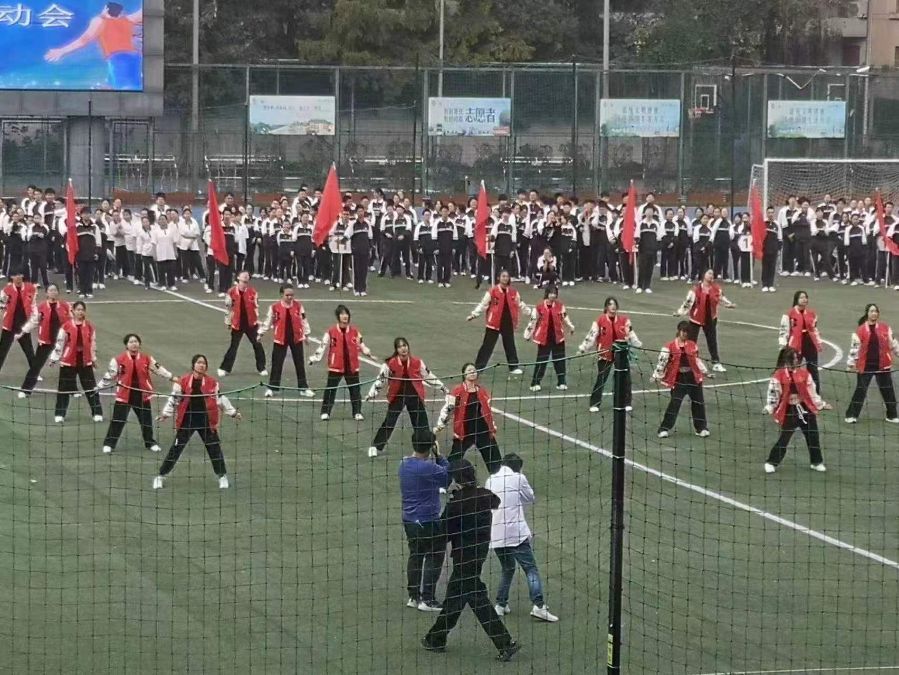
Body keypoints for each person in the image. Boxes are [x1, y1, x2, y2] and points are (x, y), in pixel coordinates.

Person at [421, 459, 520, 662]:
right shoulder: (485, 496)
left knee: (476, 599)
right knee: (455, 598)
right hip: (479, 553)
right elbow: (494, 501)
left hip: (463, 557)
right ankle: (436, 638)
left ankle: (505, 642)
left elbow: (444, 532)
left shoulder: (457, 504)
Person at [485, 453, 559, 623]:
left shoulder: (490, 480)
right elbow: (530, 497)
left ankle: (500, 604)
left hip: (496, 534)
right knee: (531, 569)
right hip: (515, 534)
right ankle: (539, 606)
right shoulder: (519, 478)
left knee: (508, 568)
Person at [154, 354, 241, 490]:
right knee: (176, 449)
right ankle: (160, 476)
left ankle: (222, 476)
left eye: (204, 363)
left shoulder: (212, 382)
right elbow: (174, 399)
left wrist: (233, 412)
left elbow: (220, 399)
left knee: (214, 448)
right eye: (199, 362)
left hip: (206, 420)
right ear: (193, 365)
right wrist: (165, 414)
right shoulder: (182, 381)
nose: (202, 365)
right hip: (187, 419)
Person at [366, 338, 447, 458]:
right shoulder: (389, 364)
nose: (403, 348)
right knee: (389, 421)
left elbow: (428, 376)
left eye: (404, 345)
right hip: (397, 396)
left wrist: (442, 387)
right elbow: (381, 380)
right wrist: (372, 393)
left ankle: (426, 447)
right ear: (396, 350)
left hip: (414, 395)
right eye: (400, 347)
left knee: (421, 423)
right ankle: (375, 446)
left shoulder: (417, 362)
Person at [97, 333, 176, 454]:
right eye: (131, 342)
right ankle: (109, 444)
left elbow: (159, 369)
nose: (134, 344)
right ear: (126, 345)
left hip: (142, 395)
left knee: (146, 421)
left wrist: (171, 377)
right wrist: (99, 386)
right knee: (118, 421)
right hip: (124, 395)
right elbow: (110, 374)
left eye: (136, 341)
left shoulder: (147, 358)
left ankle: (150, 443)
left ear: (139, 344)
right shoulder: (118, 360)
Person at [399, 429, 450, 612]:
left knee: (416, 555)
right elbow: (448, 477)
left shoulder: (403, 464)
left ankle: (413, 596)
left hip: (409, 519)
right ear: (430, 447)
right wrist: (440, 456)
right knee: (435, 555)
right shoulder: (428, 468)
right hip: (428, 520)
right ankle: (428, 599)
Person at [45, 2, 144, 90]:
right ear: (120, 12)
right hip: (135, 58)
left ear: (106, 9)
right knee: (130, 86)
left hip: (118, 59)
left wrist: (62, 51)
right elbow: (141, 13)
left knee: (124, 88)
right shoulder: (128, 20)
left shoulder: (100, 21)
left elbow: (84, 40)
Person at [763, 347, 831, 474]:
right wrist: (770, 407)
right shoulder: (778, 376)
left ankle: (816, 462)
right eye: (794, 358)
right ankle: (771, 462)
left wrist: (821, 404)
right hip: (790, 411)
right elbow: (773, 393)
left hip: (805, 409)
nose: (796, 360)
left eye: (797, 358)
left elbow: (812, 392)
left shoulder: (805, 374)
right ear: (787, 360)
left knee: (813, 436)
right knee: (785, 437)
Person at [308, 304, 377, 421]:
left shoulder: (354, 332)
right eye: (342, 314)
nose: (345, 316)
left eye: (346, 314)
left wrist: (369, 354)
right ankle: (325, 412)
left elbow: (361, 345)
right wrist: (314, 358)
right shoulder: (331, 332)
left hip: (352, 365)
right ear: (338, 316)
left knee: (355, 390)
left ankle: (357, 412)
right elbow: (322, 346)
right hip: (336, 366)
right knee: (330, 389)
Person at [577, 296, 642, 413]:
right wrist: (583, 348)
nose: (613, 307)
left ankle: (627, 402)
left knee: (625, 379)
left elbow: (631, 334)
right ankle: (595, 403)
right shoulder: (600, 320)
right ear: (606, 306)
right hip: (605, 354)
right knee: (601, 379)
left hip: (621, 354)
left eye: (614, 304)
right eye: (610, 304)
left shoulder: (624, 320)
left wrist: (638, 344)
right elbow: (591, 335)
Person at [434, 363, 501, 474]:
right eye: (469, 370)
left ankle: (498, 479)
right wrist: (440, 425)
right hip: (464, 431)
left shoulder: (482, 391)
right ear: (464, 374)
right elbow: (448, 409)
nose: (472, 372)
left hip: (482, 429)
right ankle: (443, 478)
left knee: (494, 459)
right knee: (454, 458)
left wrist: (492, 427)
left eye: (474, 370)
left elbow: (488, 411)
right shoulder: (457, 391)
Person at [651, 321, 711, 439]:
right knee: (675, 404)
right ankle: (664, 428)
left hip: (693, 378)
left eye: (687, 332)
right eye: (683, 331)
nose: (685, 334)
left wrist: (705, 372)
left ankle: (701, 428)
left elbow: (697, 360)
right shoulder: (669, 346)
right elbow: (662, 362)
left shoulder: (692, 345)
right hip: (678, 379)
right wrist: (656, 375)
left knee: (698, 403)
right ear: (679, 331)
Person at [48, 301, 104, 424]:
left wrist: (93, 359)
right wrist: (54, 358)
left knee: (91, 388)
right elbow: (60, 343)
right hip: (68, 362)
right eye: (78, 309)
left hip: (85, 362)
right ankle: (60, 413)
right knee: (63, 389)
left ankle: (97, 412)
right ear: (73, 311)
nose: (80, 312)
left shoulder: (89, 327)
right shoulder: (66, 326)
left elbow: (92, 344)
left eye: (82, 310)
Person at [844, 303, 899, 424]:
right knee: (861, 391)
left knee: (888, 391)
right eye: (871, 311)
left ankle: (892, 415)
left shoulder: (885, 328)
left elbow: (893, 344)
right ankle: (851, 415)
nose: (874, 313)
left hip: (883, 365)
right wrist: (850, 364)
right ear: (867, 313)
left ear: (878, 313)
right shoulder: (860, 330)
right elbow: (854, 349)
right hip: (866, 366)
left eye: (875, 311)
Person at [468, 269, 530, 375]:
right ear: (498, 278)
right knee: (487, 346)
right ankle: (478, 367)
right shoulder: (493, 291)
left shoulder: (513, 292)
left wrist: (529, 312)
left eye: (507, 276)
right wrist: (474, 314)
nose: (505, 278)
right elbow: (483, 304)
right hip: (494, 323)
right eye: (503, 276)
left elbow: (520, 303)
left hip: (508, 322)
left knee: (510, 345)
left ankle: (513, 366)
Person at [258, 284, 314, 398]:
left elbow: (304, 320)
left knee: (300, 364)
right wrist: (261, 333)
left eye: (292, 295)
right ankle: (272, 388)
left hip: (296, 338)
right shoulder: (274, 307)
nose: (290, 297)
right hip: (280, 339)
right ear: (281, 295)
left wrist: (307, 335)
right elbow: (268, 321)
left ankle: (303, 388)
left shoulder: (298, 306)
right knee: (276, 364)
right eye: (287, 295)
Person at [674, 268, 736, 372]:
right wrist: (680, 312)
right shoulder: (695, 290)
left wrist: (729, 304)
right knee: (691, 341)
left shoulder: (716, 289)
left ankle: (716, 363)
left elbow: (721, 298)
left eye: (712, 274)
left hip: (710, 318)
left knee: (712, 341)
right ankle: (687, 362)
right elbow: (688, 303)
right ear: (704, 275)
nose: (711, 275)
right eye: (709, 273)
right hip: (696, 318)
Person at [16, 283, 69, 397]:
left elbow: (70, 322)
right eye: (50, 290)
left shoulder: (64, 306)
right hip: (46, 341)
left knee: (70, 365)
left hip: (62, 341)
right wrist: (23, 332)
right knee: (36, 366)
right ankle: (25, 390)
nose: (53, 292)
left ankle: (71, 389)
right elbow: (34, 322)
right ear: (46, 293)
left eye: (55, 290)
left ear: (58, 292)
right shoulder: (41, 307)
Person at [523, 285, 575, 392]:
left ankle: (561, 382)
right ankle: (535, 382)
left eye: (555, 293)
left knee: (560, 361)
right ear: (547, 293)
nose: (553, 295)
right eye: (551, 293)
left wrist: (570, 326)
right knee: (541, 361)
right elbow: (533, 321)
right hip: (544, 338)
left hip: (558, 337)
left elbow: (565, 317)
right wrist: (527, 334)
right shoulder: (539, 307)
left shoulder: (560, 306)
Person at [218, 270, 268, 378]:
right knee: (234, 347)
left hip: (251, 324)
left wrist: (257, 321)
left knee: (257, 345)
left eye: (247, 276)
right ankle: (224, 368)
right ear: (238, 277)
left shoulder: (253, 292)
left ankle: (262, 368)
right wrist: (228, 321)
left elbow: (256, 307)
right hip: (237, 323)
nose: (245, 277)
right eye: (243, 275)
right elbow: (228, 308)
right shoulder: (231, 292)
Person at [779, 291, 824, 394]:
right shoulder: (789, 314)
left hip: (810, 343)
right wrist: (783, 344)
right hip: (795, 345)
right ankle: (792, 391)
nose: (804, 299)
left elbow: (814, 329)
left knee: (813, 368)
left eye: (805, 297)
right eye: (801, 297)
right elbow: (784, 331)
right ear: (796, 299)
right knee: (793, 368)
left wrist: (818, 342)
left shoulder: (812, 313)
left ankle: (815, 392)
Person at [0, 269, 37, 374]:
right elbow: (1, 305)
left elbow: (33, 304)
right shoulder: (6, 290)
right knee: (2, 350)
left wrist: (32, 320)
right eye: (15, 275)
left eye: (20, 274)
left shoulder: (30, 288)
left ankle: (35, 373)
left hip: (23, 325)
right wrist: (3, 305)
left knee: (29, 350)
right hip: (9, 324)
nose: (18, 277)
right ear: (11, 277)